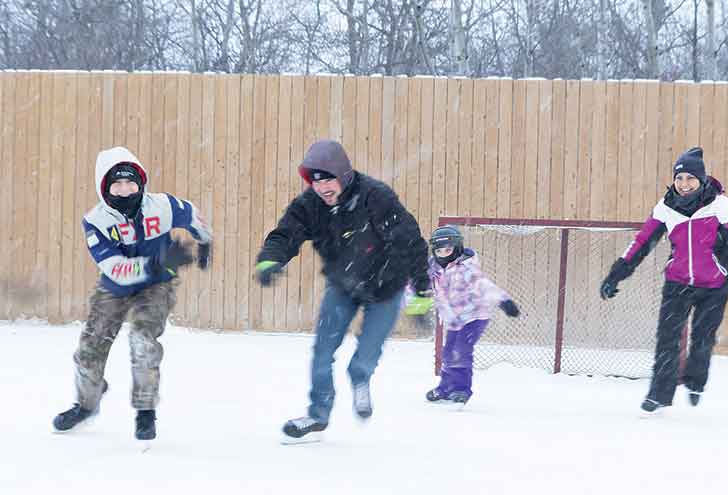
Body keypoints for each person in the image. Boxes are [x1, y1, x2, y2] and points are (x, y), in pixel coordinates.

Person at [255, 139, 430, 442]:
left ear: (343, 174)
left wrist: (423, 291)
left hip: (386, 287)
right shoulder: (310, 205)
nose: (321, 187)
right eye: (315, 181)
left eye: (327, 179)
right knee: (322, 351)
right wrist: (271, 258)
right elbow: (286, 233)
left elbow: (410, 241)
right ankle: (318, 415)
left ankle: (360, 377)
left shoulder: (376, 197)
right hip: (343, 286)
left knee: (366, 353)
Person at [52, 146, 212, 440]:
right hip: (115, 287)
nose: (125, 191)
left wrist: (204, 240)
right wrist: (159, 261)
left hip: (158, 286)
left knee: (143, 339)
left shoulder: (162, 206)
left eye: (131, 183)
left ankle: (145, 409)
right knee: (89, 350)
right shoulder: (95, 221)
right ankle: (87, 403)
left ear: (141, 182)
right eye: (117, 184)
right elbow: (117, 270)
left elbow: (191, 214)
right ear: (105, 187)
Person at [600, 147, 728, 413]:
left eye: (690, 178)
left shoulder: (721, 207)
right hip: (678, 283)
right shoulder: (666, 207)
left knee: (702, 338)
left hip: (714, 286)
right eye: (679, 179)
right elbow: (642, 242)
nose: (684, 184)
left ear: (702, 179)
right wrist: (616, 274)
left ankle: (695, 382)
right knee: (667, 338)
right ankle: (659, 394)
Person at [413, 225, 520, 405]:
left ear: (457, 248)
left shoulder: (465, 269)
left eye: (448, 250)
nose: (443, 254)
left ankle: (462, 389)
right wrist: (417, 309)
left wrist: (503, 301)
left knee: (461, 351)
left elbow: (484, 286)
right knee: (448, 353)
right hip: (454, 320)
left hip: (474, 316)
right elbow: (417, 287)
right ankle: (446, 387)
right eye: (439, 250)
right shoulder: (433, 269)